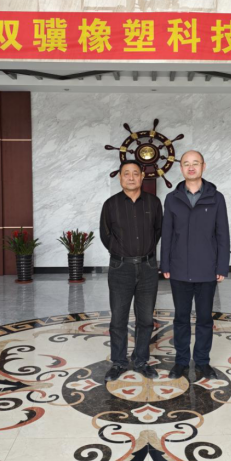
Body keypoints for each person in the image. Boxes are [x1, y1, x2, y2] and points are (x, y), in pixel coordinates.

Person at [161, 150, 230, 380]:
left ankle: (202, 362)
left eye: (195, 163)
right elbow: (167, 234)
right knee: (181, 319)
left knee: (204, 319)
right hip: (179, 269)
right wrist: (165, 264)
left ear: (203, 166)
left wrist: (222, 266)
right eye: (186, 163)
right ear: (181, 168)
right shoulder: (172, 198)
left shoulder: (216, 197)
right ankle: (181, 361)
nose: (191, 167)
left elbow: (222, 234)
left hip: (207, 269)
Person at [100, 160, 163, 382]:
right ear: (120, 177)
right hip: (120, 268)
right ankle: (119, 362)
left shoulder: (154, 203)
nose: (131, 177)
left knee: (145, 318)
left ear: (142, 177)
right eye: (126, 173)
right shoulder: (111, 204)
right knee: (118, 318)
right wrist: (121, 252)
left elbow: (158, 231)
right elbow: (105, 235)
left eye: (135, 173)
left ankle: (141, 360)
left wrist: (144, 251)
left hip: (147, 267)